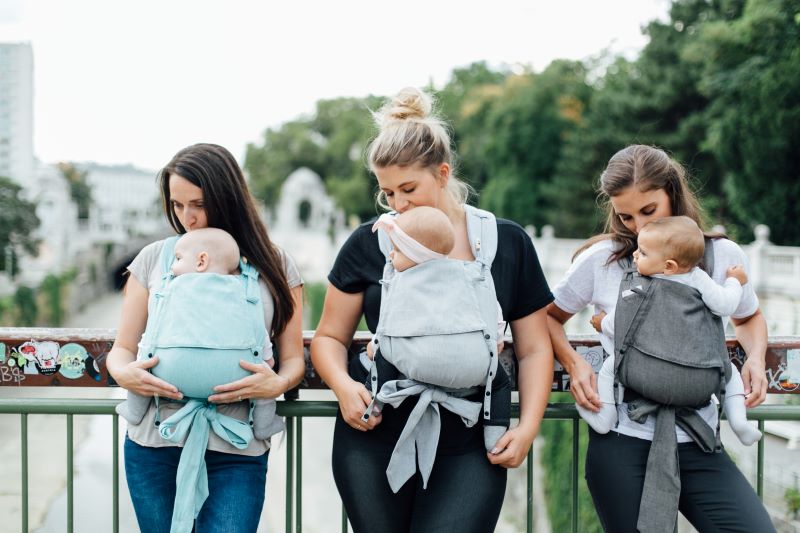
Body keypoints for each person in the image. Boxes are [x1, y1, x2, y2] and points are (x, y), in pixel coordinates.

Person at [310, 87, 554, 532]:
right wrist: (344, 387)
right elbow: (327, 337)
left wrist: (528, 425)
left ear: (442, 174)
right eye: (387, 193)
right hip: (374, 436)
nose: (399, 205)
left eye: (409, 189)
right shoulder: (369, 242)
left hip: (473, 441)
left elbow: (535, 349)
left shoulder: (506, 242)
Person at [547, 145, 773, 532]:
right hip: (621, 441)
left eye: (648, 211)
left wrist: (754, 358)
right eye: (625, 216)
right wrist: (573, 363)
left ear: (672, 191)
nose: (637, 226)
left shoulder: (719, 255)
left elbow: (748, 316)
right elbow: (547, 318)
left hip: (700, 440)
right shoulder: (604, 259)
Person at [106, 143, 305, 533]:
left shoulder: (275, 264)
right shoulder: (155, 259)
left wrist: (277, 382)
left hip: (238, 447)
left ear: (228, 196)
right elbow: (122, 349)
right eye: (177, 206)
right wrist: (123, 375)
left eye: (197, 204)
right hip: (154, 442)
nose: (188, 218)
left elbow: (293, 358)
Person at [579, 216, 762, 447]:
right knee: (730, 373)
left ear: (669, 266)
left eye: (643, 253)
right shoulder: (698, 277)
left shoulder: (640, 285)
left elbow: (622, 321)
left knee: (610, 368)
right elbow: (725, 304)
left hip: (649, 362)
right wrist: (735, 281)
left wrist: (601, 323)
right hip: (696, 361)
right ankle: (738, 422)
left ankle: (606, 415)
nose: (635, 255)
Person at [364, 205, 510, 454]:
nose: (391, 256)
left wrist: (377, 342)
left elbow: (391, 322)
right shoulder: (470, 273)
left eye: (397, 250)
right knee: (498, 382)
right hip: (471, 367)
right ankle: (495, 432)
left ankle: (375, 402)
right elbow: (490, 309)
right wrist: (495, 339)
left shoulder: (402, 282)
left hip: (413, 364)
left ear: (415, 252)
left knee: (384, 355)